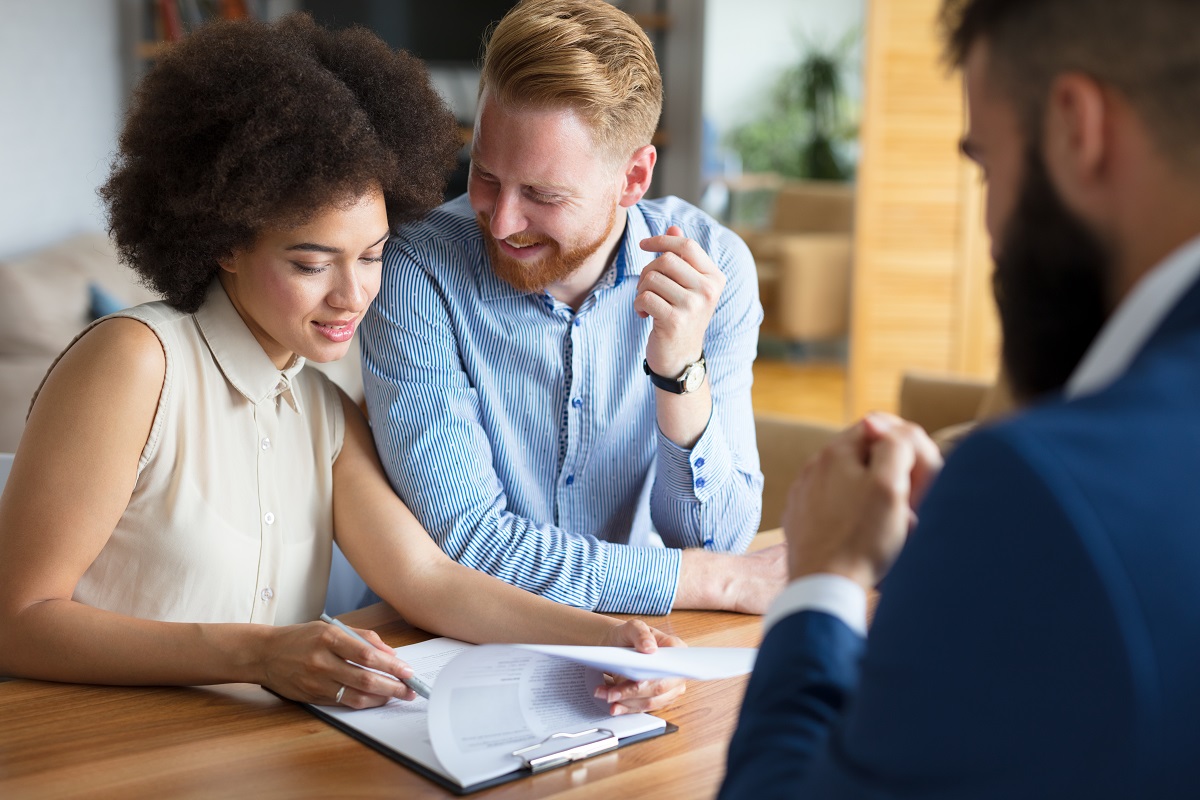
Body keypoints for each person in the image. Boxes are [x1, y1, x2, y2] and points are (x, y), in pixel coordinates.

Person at [0, 13, 685, 715]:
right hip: (90, 760)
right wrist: (258, 654)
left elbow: (432, 581)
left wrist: (613, 640)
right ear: (225, 242)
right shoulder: (136, 363)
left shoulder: (321, 410)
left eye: (371, 256)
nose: (353, 296)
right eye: (310, 262)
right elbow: (17, 621)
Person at [721, 0, 1200, 796]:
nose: (992, 232)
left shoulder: (1040, 490)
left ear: (1076, 128)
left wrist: (824, 578)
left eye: (985, 163)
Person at [359, 0, 785, 617]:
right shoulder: (418, 269)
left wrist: (678, 370)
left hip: (642, 651)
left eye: (541, 194)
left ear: (633, 180)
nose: (501, 221)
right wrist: (705, 582)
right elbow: (468, 549)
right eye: (483, 173)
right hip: (447, 647)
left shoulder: (712, 270)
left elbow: (716, 540)